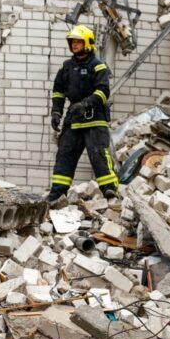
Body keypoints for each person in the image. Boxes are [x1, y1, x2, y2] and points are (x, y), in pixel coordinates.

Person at [47, 24, 118, 204]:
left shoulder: (98, 66)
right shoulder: (66, 67)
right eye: (72, 42)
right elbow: (58, 91)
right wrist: (56, 111)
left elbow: (103, 92)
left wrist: (85, 104)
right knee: (64, 155)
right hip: (73, 121)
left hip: (95, 119)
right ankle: (57, 194)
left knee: (99, 155)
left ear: (88, 43)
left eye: (78, 41)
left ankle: (110, 190)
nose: (75, 45)